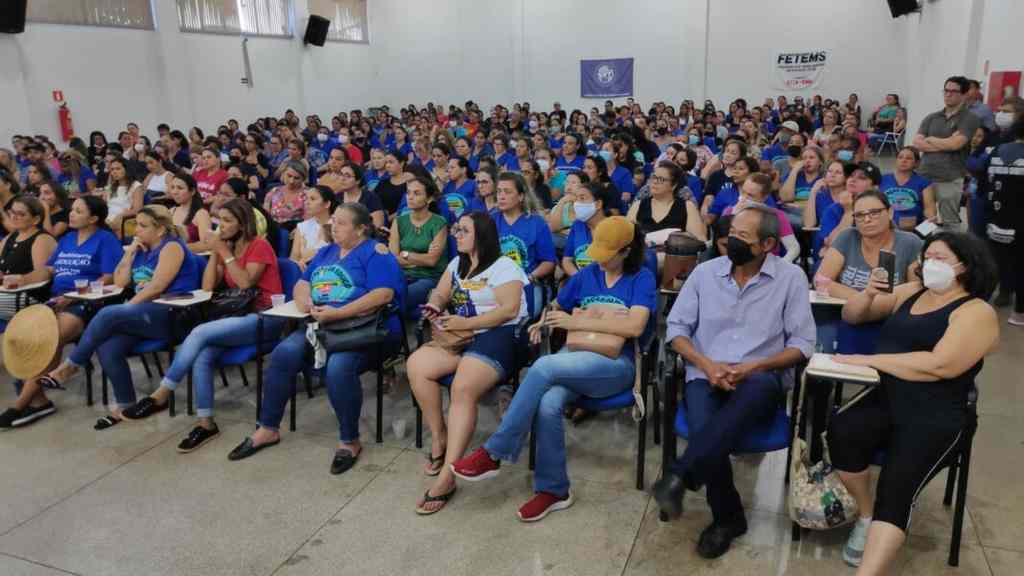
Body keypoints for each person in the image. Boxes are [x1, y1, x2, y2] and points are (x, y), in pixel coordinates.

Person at [450, 216, 656, 522]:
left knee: (544, 365)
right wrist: (542, 321)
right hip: (572, 357)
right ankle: (554, 490)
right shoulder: (587, 274)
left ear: (626, 251)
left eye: (606, 252)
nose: (598, 259)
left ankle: (496, 451)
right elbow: (557, 307)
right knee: (548, 403)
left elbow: (636, 326)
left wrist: (578, 321)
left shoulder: (642, 278)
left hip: (616, 365)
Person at [827, 232, 999, 573]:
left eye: (939, 257)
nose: (928, 264)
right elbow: (852, 316)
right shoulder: (911, 292)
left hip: (936, 412)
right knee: (843, 430)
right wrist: (869, 293)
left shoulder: (976, 312)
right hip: (887, 398)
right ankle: (865, 514)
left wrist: (871, 360)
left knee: (896, 487)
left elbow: (940, 365)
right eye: (926, 256)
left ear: (965, 266)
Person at [652, 205, 816, 559]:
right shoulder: (705, 274)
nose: (731, 241)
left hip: (759, 379)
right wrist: (707, 365)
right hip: (704, 373)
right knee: (706, 428)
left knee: (723, 418)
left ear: (768, 244)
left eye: (743, 236)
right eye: (730, 233)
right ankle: (729, 518)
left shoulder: (790, 278)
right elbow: (677, 331)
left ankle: (683, 474)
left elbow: (803, 344)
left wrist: (754, 367)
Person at [227, 203, 404, 474]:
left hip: (362, 331)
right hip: (322, 325)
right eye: (334, 221)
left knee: (339, 367)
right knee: (285, 352)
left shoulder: (375, 253)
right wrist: (306, 303)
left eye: (342, 223)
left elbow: (383, 295)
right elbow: (302, 283)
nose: (334, 226)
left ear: (361, 229)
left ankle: (349, 440)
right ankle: (267, 428)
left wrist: (339, 312)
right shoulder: (327, 252)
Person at [119, 199, 284, 452]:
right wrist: (216, 252)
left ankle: (163, 392)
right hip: (236, 317)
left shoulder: (259, 246)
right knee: (202, 354)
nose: (222, 225)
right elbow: (208, 287)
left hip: (266, 317)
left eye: (228, 221)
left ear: (243, 223)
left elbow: (245, 284)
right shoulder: (225, 247)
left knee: (198, 332)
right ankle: (206, 423)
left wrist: (225, 253)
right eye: (220, 220)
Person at [407, 211, 527, 514]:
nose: (456, 234)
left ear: (482, 235)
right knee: (417, 365)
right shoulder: (457, 263)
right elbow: (441, 291)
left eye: (464, 230)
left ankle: (448, 476)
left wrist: (466, 323)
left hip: (499, 335)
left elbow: (509, 311)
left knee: (461, 388)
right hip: (461, 332)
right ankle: (440, 438)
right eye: (456, 229)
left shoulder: (503, 267)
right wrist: (435, 306)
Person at [42, 205, 200, 429]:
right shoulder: (142, 250)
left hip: (173, 314)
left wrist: (127, 309)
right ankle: (126, 403)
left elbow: (157, 287)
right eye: (137, 224)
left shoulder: (171, 247)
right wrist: (129, 253)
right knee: (107, 344)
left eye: (144, 226)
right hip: (143, 315)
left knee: (109, 313)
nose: (137, 230)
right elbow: (119, 282)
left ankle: (72, 364)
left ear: (161, 230)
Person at [0, 197, 123, 428]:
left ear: (94, 218)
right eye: (72, 209)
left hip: (88, 302)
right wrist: (22, 278)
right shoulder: (67, 239)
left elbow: (109, 278)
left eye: (78, 211)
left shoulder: (105, 240)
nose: (71, 214)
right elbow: (48, 270)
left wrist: (71, 297)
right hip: (55, 300)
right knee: (23, 334)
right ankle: (39, 401)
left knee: (48, 336)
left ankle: (20, 404)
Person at [912, 76, 982, 231]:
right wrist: (946, 142)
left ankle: (951, 252)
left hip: (950, 178)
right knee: (925, 218)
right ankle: (926, 249)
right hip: (925, 175)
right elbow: (917, 143)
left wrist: (930, 139)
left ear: (964, 95)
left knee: (949, 222)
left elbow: (956, 144)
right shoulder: (932, 117)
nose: (948, 94)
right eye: (946, 90)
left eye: (953, 91)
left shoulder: (970, 118)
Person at [492, 172, 556, 316]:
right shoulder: (490, 221)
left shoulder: (537, 223)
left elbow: (548, 262)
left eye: (507, 192)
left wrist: (528, 278)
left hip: (526, 283)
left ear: (521, 196)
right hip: (494, 283)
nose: (501, 196)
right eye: (499, 191)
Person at [980, 118, 1024, 326]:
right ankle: (1019, 313)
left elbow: (983, 183)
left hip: (997, 218)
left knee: (997, 261)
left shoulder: (998, 150)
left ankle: (980, 305)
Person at [389, 175, 449, 316]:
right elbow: (393, 260)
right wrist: (420, 258)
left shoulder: (439, 223)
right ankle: (419, 311)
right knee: (380, 292)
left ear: (429, 199)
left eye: (417, 193)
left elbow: (431, 261)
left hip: (429, 277)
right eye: (408, 192)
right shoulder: (399, 221)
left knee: (396, 299)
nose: (410, 197)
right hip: (402, 275)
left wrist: (405, 254)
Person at [0, 196, 57, 318]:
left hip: (29, 295)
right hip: (6, 292)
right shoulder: (10, 237)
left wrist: (21, 279)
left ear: (36, 219)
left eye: (20, 214)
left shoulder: (42, 239)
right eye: (12, 212)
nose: (14, 217)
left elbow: (43, 274)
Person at [723, 173, 800, 263]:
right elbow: (723, 242)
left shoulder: (777, 215)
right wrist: (734, 214)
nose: (744, 198)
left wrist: (782, 266)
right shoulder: (729, 211)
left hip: (768, 263)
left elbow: (794, 248)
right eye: (743, 192)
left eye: (750, 195)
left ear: (764, 198)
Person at [627, 161, 706, 246]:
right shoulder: (638, 205)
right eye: (653, 177)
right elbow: (625, 236)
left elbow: (700, 240)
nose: (655, 182)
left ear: (673, 185)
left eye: (661, 179)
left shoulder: (687, 207)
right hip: (643, 255)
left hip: (675, 255)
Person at [879, 147, 937, 230]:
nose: (904, 160)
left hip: (913, 230)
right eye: (900, 157)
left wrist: (922, 232)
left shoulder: (924, 183)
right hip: (885, 228)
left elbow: (930, 211)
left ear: (917, 163)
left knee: (931, 225)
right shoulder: (882, 179)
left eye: (909, 158)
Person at [561, 182, 611, 277]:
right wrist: (579, 277)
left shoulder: (614, 228)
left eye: (582, 198)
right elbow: (567, 260)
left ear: (598, 204)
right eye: (576, 199)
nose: (576, 204)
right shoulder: (577, 225)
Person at [290, 184, 336, 270]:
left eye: (312, 199)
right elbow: (293, 258)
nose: (307, 202)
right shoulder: (302, 226)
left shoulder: (337, 225)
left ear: (327, 204)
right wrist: (298, 264)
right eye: (306, 198)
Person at [168, 172, 213, 253]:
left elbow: (207, 244)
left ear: (192, 191)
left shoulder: (201, 214)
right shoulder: (171, 211)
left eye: (180, 188)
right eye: (172, 187)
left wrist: (178, 249)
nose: (175, 192)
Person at [333, 163, 385, 229]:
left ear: (358, 181)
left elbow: (378, 224)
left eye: (348, 176)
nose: (342, 178)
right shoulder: (337, 197)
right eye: (341, 174)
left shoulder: (370, 198)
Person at [103, 157, 145, 236]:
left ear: (126, 169)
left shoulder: (136, 186)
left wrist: (120, 216)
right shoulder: (110, 187)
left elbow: (137, 209)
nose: (114, 172)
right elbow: (103, 206)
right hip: (107, 219)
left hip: (124, 219)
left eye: (118, 169)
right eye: (112, 169)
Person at [263, 160, 310, 228]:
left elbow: (309, 220)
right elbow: (265, 215)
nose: (291, 181)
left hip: (296, 231)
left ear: (303, 179)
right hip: (273, 230)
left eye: (296, 178)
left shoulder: (308, 195)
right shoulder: (274, 191)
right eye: (289, 176)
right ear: (284, 174)